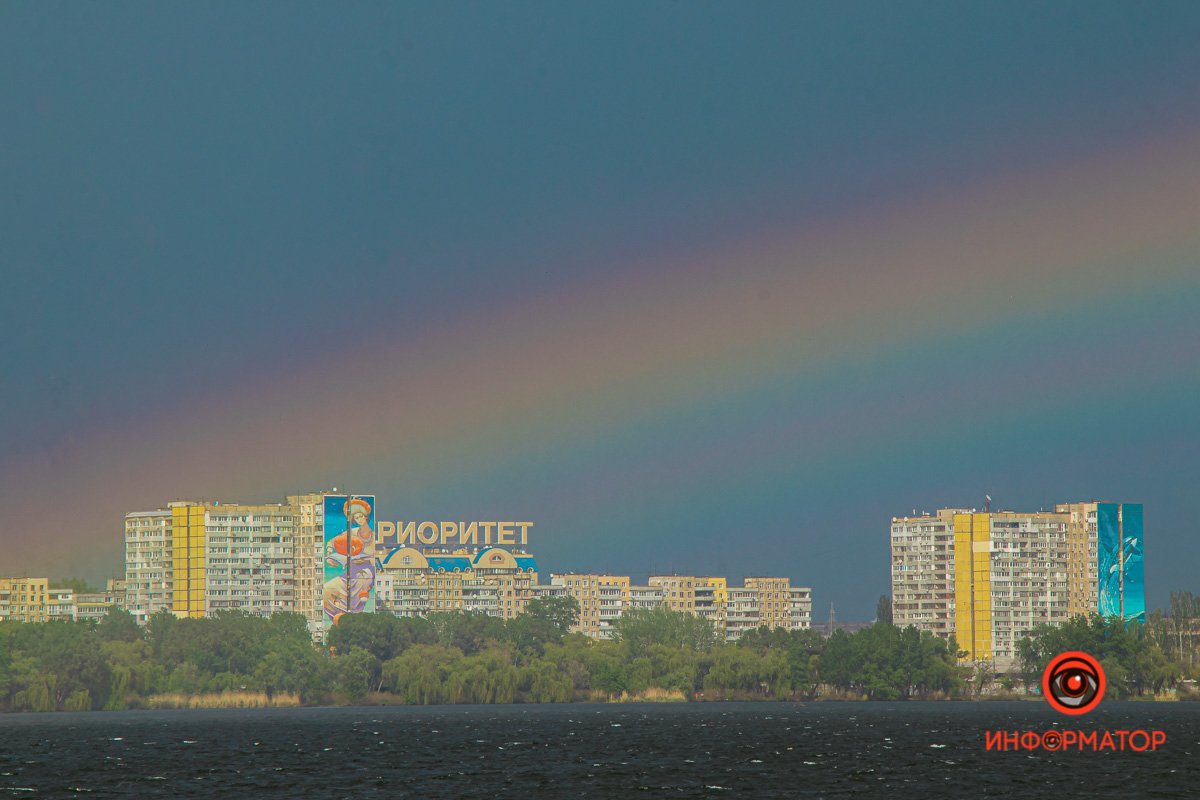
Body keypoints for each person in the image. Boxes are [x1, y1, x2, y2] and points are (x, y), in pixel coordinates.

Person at [323, 497, 376, 624]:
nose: (359, 520)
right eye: (356, 518)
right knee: (327, 589)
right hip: (351, 571)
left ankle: (354, 619)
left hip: (366, 571)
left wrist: (365, 560)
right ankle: (339, 619)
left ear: (366, 517)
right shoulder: (352, 532)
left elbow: (375, 560)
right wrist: (329, 555)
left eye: (361, 516)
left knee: (358, 590)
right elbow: (333, 542)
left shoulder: (374, 536)